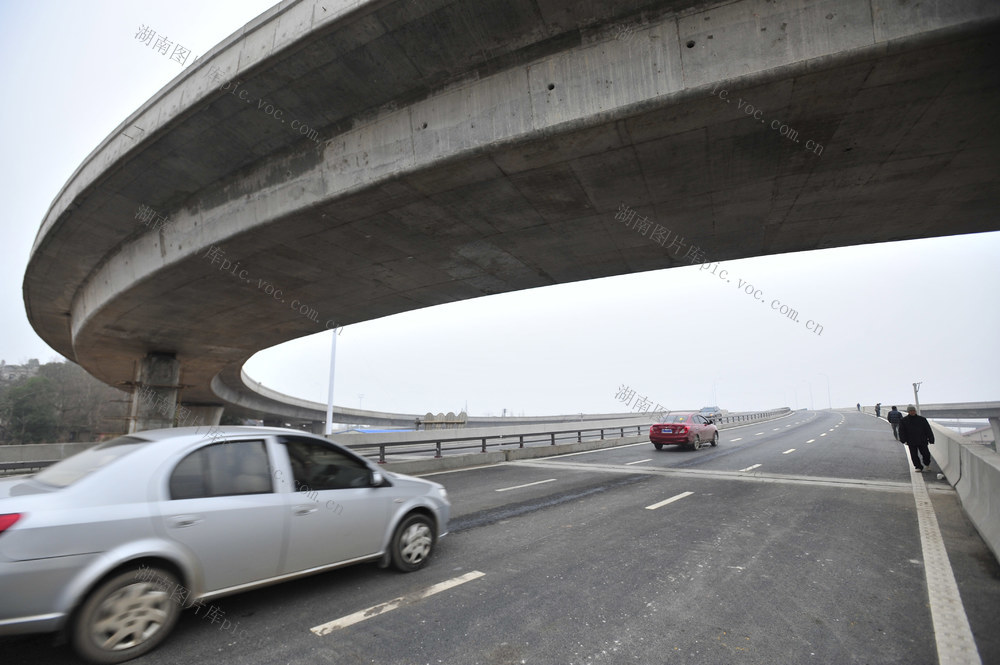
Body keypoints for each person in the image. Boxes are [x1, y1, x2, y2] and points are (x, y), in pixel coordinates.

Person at [898, 405, 934, 472]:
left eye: (913, 410)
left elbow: (928, 429)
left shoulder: (922, 419)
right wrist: (903, 440)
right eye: (911, 411)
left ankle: (927, 464)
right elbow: (901, 431)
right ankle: (918, 466)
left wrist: (931, 438)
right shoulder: (904, 420)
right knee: (914, 455)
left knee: (926, 454)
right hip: (911, 440)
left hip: (922, 440)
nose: (912, 412)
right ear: (908, 412)